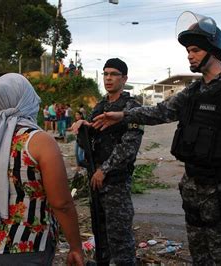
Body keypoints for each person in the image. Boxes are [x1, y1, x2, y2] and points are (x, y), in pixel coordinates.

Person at [91, 12, 221, 265]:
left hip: (220, 187)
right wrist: (123, 115)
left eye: (195, 50)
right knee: (199, 256)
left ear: (213, 50)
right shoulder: (193, 91)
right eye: (188, 50)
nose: (189, 55)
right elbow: (160, 112)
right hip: (192, 187)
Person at [0, 73, 83, 265]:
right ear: (26, 99)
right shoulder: (40, 142)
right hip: (29, 247)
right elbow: (61, 202)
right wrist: (75, 246)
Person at [72, 58, 144, 265]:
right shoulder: (100, 107)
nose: (108, 78)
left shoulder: (131, 108)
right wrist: (83, 127)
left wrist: (104, 169)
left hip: (116, 181)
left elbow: (129, 147)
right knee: (100, 233)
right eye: (105, 74)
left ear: (124, 78)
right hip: (96, 179)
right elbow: (92, 141)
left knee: (120, 237)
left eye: (113, 74)